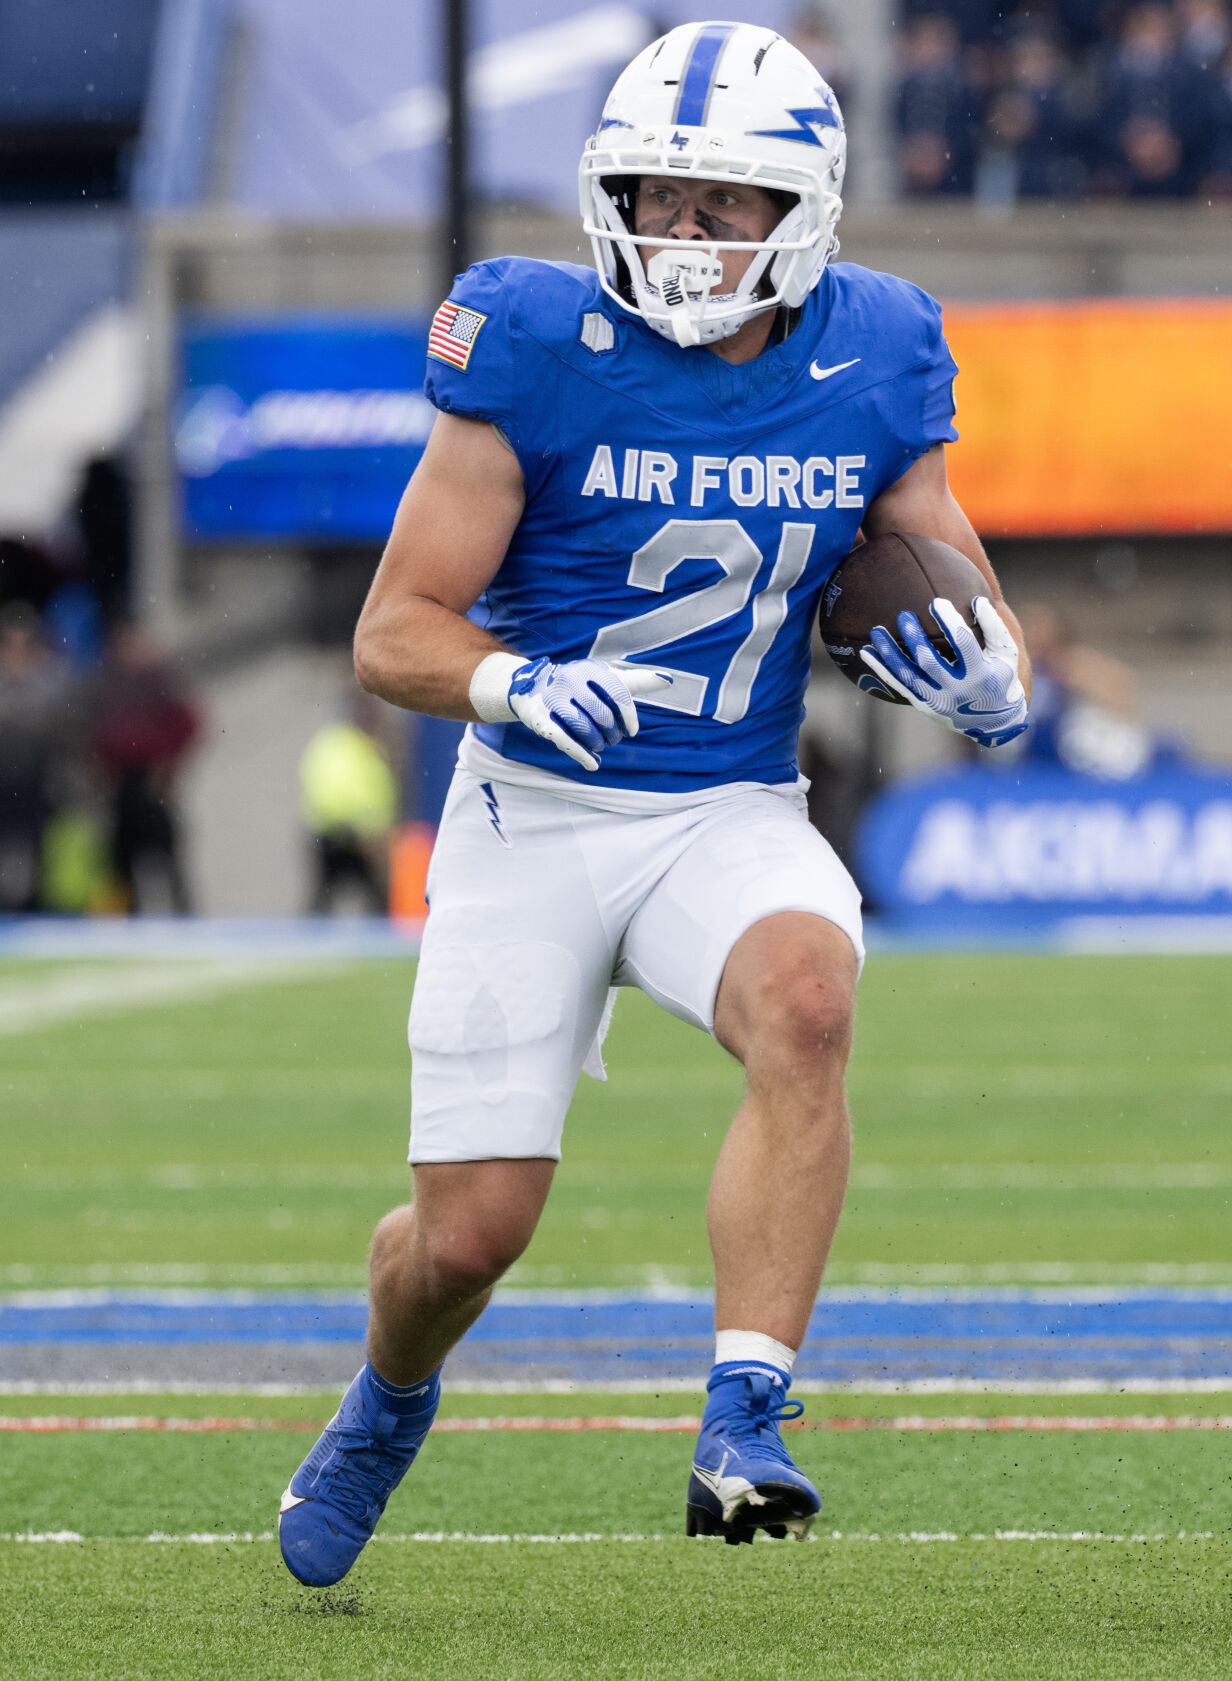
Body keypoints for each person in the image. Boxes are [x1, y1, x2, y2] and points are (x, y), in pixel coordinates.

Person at [278, 20, 1032, 1585]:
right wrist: (513, 682)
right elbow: (392, 628)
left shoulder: (876, 349)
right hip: (531, 811)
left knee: (809, 996)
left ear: (803, 213)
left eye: (718, 204)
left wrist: (990, 677)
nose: (678, 232)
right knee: (469, 1237)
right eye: (655, 195)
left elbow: (944, 569)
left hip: (726, 804)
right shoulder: (535, 339)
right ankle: (387, 1392)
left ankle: (745, 1412)